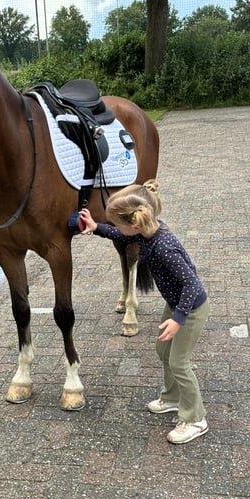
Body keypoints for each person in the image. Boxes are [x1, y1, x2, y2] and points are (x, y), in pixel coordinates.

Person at [78, 179, 211, 445]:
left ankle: (195, 418)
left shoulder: (164, 247)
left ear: (135, 223)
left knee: (179, 362)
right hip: (175, 304)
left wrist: (179, 319)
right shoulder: (145, 232)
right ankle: (172, 398)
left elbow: (192, 283)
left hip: (191, 308)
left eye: (118, 223)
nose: (117, 229)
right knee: (164, 352)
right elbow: (120, 235)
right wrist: (97, 228)